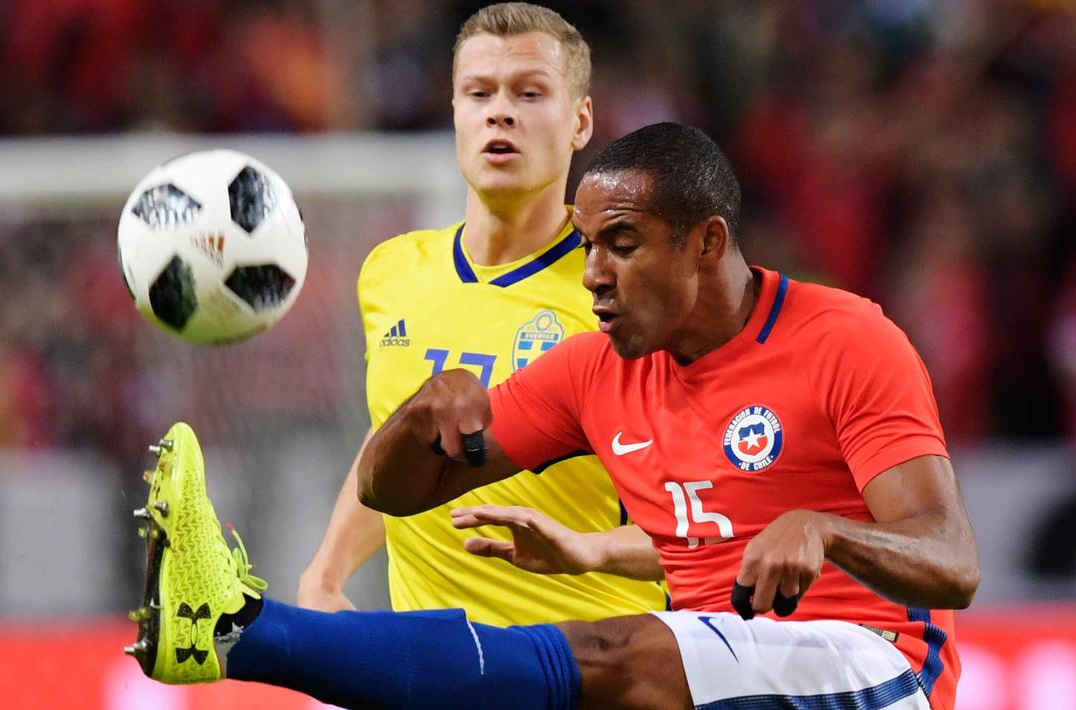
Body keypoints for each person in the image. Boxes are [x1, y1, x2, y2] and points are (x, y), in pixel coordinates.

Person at [126, 122, 979, 710]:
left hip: (873, 672)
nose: (593, 275)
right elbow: (398, 492)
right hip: (721, 669)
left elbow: (950, 562)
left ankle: (238, 631)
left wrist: (825, 533)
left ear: (707, 244)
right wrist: (418, 419)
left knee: (604, 656)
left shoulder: (845, 339)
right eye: (585, 247)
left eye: (622, 243)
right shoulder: (592, 370)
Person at [296, 2, 667, 624]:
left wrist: (590, 551)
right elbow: (397, 433)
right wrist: (327, 571)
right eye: (479, 93)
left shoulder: (632, 296)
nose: (500, 111)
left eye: (529, 92)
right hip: (434, 673)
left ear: (580, 122)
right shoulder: (392, 272)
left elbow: (714, 520)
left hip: (590, 672)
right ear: (456, 115)